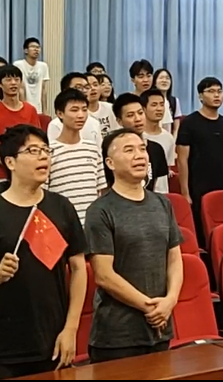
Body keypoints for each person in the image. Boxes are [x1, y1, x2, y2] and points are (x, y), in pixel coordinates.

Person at [0, 124, 87, 379]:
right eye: (32, 151)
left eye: (45, 150)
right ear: (10, 162)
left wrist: (71, 329)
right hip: (3, 349)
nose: (43, 157)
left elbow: (78, 268)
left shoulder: (61, 206)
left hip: (54, 341)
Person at [84, 129, 183, 363]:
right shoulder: (100, 210)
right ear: (110, 163)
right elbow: (104, 275)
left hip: (160, 329)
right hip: (118, 337)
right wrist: (149, 307)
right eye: (129, 150)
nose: (139, 155)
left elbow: (174, 259)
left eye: (142, 149)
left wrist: (170, 301)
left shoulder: (162, 203)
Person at [176, 77, 223, 243]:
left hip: (222, 188)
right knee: (202, 235)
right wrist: (185, 192)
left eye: (219, 91)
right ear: (200, 96)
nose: (216, 95)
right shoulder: (189, 123)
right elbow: (182, 160)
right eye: (211, 91)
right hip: (198, 189)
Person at [45, 89, 106, 223]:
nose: (81, 115)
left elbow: (101, 190)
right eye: (74, 110)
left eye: (84, 110)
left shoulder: (93, 149)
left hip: (90, 225)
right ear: (60, 113)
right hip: (62, 224)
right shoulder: (48, 152)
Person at [0, 65, 40, 192]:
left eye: (17, 79)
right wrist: (5, 162)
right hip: (0, 174)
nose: (13, 83)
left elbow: (36, 140)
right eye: (8, 80)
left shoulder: (30, 110)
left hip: (26, 170)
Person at [111, 93, 169, 193]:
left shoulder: (156, 149)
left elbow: (162, 189)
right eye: (130, 115)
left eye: (140, 113)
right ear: (119, 121)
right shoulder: (113, 149)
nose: (138, 119)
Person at [45, 73, 102, 145]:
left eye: (86, 87)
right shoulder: (55, 125)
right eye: (78, 87)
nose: (84, 91)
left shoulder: (94, 123)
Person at [141, 89, 176, 169]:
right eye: (154, 105)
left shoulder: (168, 138)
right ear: (143, 108)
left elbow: (167, 167)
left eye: (162, 105)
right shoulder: (136, 136)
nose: (159, 109)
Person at [14, 37, 50, 114]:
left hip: (38, 109)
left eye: (38, 47)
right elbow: (20, 89)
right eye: (33, 47)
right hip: (23, 106)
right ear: (26, 50)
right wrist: (24, 109)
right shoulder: (18, 65)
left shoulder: (43, 66)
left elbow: (43, 89)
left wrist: (45, 110)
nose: (36, 49)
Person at [151, 68, 181, 137]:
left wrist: (172, 141)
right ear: (154, 82)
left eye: (167, 78)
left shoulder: (174, 101)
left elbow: (176, 128)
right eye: (161, 78)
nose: (164, 81)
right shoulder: (148, 100)